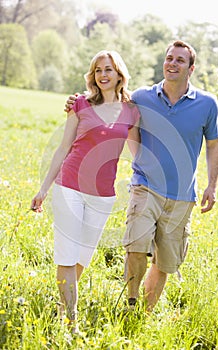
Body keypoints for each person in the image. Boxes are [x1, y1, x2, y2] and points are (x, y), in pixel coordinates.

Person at [64, 40, 218, 314]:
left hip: (183, 196)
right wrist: (77, 100)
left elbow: (213, 145)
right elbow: (108, 97)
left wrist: (212, 185)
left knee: (165, 263)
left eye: (180, 60)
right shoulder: (142, 97)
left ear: (191, 68)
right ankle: (130, 303)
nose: (172, 63)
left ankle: (143, 315)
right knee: (135, 246)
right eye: (169, 58)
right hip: (145, 186)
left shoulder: (207, 104)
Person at [31, 50, 140, 332]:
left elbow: (138, 153)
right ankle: (71, 322)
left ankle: (61, 307)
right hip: (70, 186)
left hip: (103, 195)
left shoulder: (131, 111)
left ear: (119, 74)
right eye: (98, 70)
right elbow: (63, 147)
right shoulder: (79, 104)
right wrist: (44, 189)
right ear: (93, 76)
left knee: (82, 258)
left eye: (109, 69)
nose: (103, 75)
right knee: (67, 255)